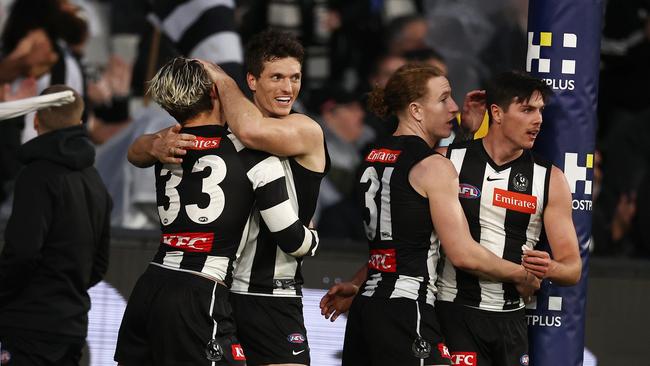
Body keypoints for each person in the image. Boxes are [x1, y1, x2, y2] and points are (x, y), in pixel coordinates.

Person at [128, 30, 330, 366]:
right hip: (220, 289)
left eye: (295, 78)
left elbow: (251, 131)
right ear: (251, 80)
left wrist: (220, 78)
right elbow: (137, 151)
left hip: (270, 293)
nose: (287, 88)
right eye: (276, 77)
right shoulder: (231, 135)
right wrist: (152, 144)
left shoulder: (302, 128)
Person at [319, 63, 541, 366]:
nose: (454, 108)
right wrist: (521, 274)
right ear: (416, 110)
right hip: (409, 309)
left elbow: (398, 242)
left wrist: (358, 284)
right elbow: (462, 253)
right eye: (444, 99)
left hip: (367, 307)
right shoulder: (434, 166)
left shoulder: (373, 157)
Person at [435, 71, 582, 365]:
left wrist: (550, 267)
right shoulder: (446, 161)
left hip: (511, 322)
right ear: (497, 113)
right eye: (527, 110)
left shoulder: (550, 178)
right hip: (452, 312)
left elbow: (572, 268)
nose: (538, 120)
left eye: (540, 110)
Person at [0, 85, 111, 365]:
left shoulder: (36, 176)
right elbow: (98, 265)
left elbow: (22, 252)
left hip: (27, 326)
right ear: (82, 122)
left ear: (36, 120)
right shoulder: (95, 181)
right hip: (71, 327)